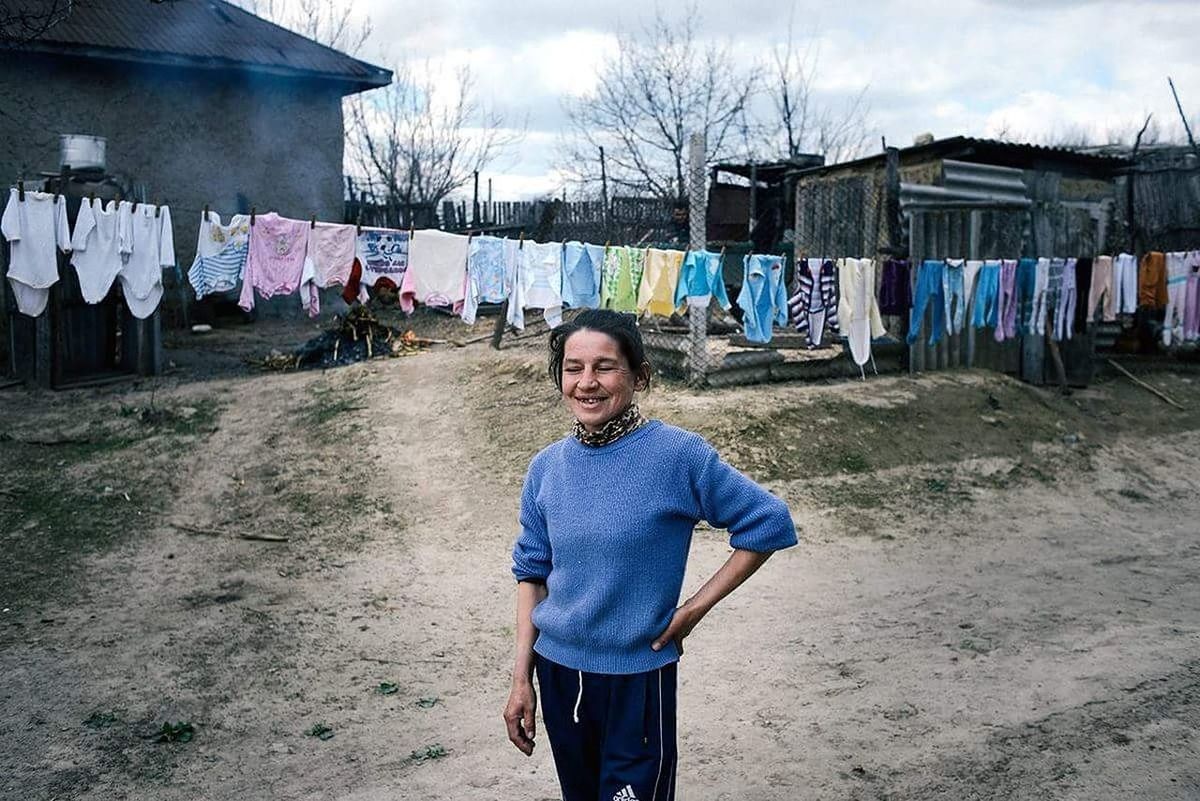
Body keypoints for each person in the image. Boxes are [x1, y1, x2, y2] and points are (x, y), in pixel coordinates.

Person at [503, 308, 797, 801]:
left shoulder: (678, 456)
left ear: (639, 376)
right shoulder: (546, 468)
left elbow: (768, 523)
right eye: (573, 368)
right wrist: (520, 681)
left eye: (605, 367)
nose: (587, 383)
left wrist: (691, 612)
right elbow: (531, 576)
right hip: (559, 676)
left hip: (638, 680)